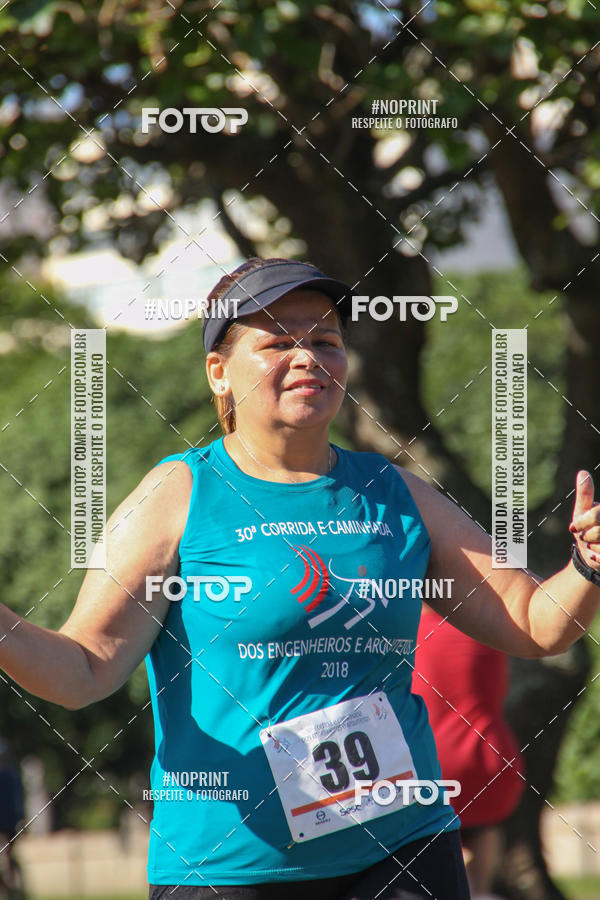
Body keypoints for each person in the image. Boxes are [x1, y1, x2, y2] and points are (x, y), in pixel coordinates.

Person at [1, 256, 600, 900]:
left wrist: (589, 564)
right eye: (277, 342)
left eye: (325, 341)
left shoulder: (395, 493)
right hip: (230, 868)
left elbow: (537, 624)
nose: (308, 356)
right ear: (218, 374)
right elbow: (83, 670)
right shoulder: (180, 495)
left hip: (401, 851)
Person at [413, 606, 525, 898]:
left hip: (428, 767)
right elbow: (512, 565)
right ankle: (481, 888)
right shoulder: (495, 625)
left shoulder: (402, 633)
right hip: (493, 762)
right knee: (485, 832)